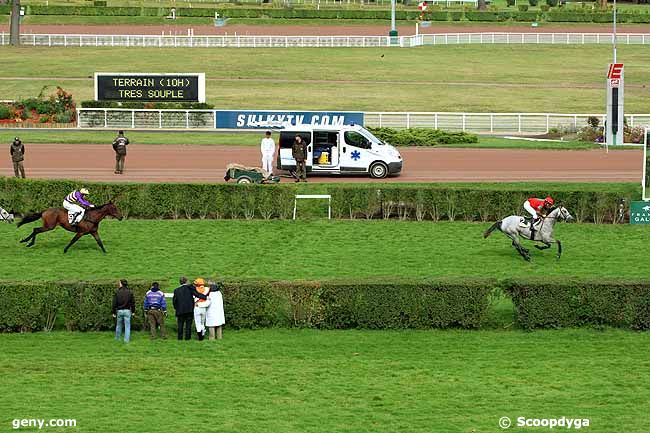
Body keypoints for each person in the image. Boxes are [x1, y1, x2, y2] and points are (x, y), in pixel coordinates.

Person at [173, 276, 206, 341]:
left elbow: (174, 301)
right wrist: (205, 297)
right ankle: (187, 338)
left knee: (180, 325)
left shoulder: (176, 290)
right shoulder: (190, 288)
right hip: (189, 310)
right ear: (186, 281)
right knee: (188, 325)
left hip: (180, 310)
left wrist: (176, 308)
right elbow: (197, 294)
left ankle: (180, 338)